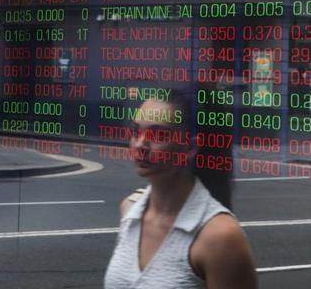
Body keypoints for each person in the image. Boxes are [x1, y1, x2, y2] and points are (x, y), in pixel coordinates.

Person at [104, 90, 257, 289]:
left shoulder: (220, 237)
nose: (141, 144)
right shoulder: (129, 210)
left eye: (158, 134)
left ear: (190, 148)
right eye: (136, 132)